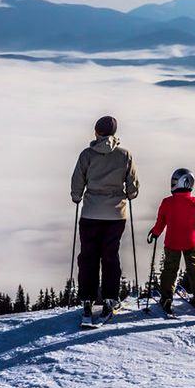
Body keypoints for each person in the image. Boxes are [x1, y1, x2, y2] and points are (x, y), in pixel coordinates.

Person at [71, 116, 139, 325]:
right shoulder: (124, 155)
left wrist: (77, 197)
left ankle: (87, 301)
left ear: (96, 132)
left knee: (88, 257)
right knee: (110, 256)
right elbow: (133, 187)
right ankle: (110, 299)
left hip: (91, 213)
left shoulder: (87, 155)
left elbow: (77, 182)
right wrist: (128, 195)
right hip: (115, 216)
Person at [147, 168, 195, 314]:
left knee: (170, 269)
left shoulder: (167, 202)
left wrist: (155, 233)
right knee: (194, 267)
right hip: (191, 242)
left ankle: (167, 296)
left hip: (172, 242)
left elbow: (161, 222)